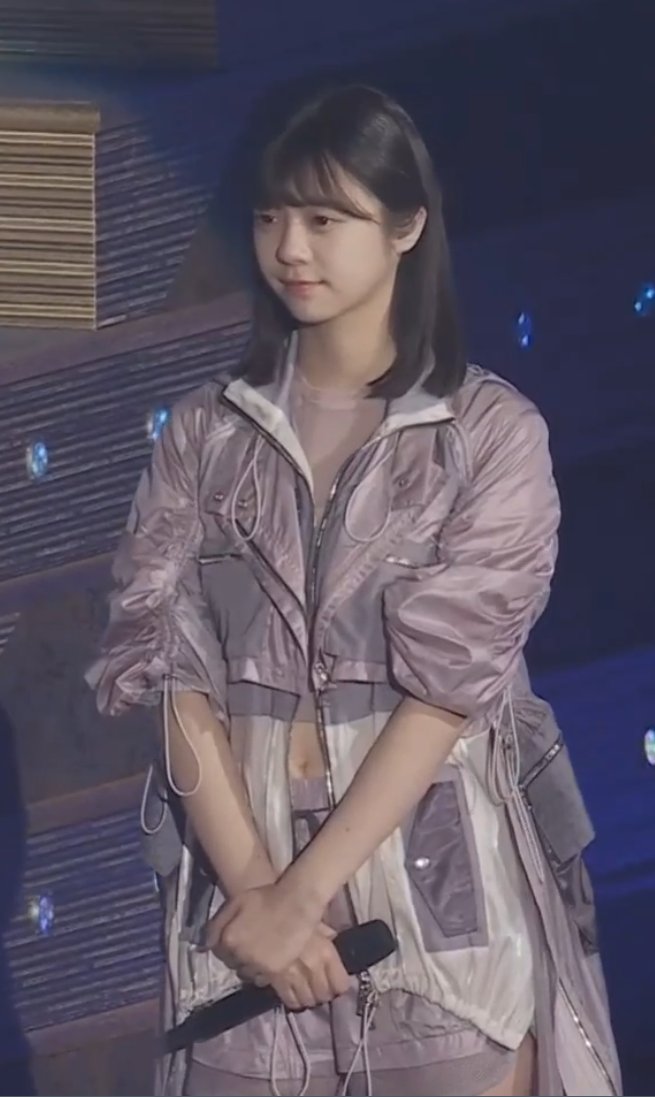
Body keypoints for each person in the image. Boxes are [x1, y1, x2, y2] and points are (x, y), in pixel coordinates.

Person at [87, 84, 621, 1097]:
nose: (291, 246)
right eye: (269, 217)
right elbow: (168, 671)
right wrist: (263, 899)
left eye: (325, 218)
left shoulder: (487, 435)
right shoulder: (204, 436)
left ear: (406, 225)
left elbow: (447, 690)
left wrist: (304, 894)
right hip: (242, 921)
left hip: (435, 911)